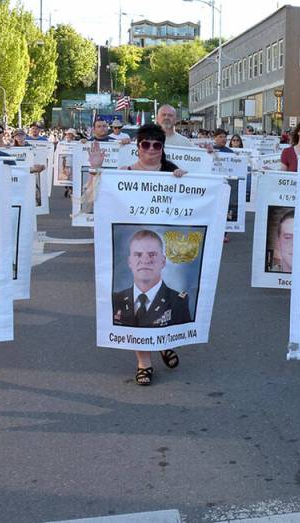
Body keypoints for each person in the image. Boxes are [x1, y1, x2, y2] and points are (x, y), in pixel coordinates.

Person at [87, 123, 186, 384]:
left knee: (164, 297)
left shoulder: (174, 174)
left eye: (157, 145)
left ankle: (163, 340)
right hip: (137, 243)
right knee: (136, 304)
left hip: (160, 243)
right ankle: (143, 361)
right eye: (146, 144)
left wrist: (185, 179)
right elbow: (90, 200)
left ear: (163, 148)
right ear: (138, 146)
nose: (151, 150)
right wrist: (95, 169)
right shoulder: (124, 173)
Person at [111, 229, 191, 329]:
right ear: (129, 262)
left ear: (163, 261)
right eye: (138, 255)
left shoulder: (177, 302)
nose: (145, 260)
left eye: (152, 254)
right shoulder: (115, 300)